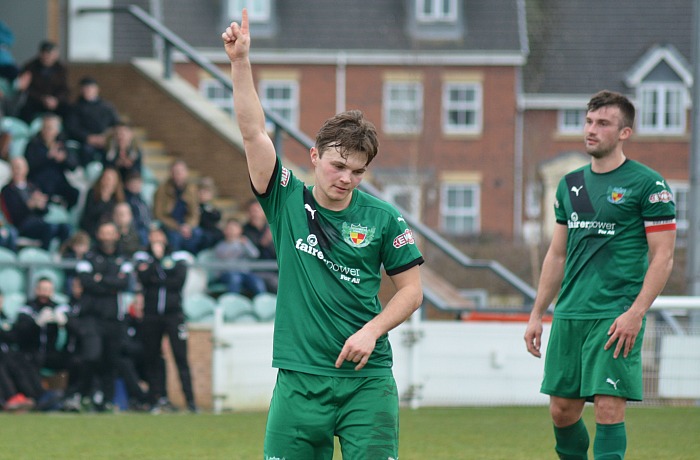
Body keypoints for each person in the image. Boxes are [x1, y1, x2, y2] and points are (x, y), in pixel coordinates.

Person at [223, 10, 424, 458]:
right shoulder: (285, 199)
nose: (346, 178)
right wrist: (240, 63)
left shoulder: (383, 218)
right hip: (300, 380)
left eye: (357, 171)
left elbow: (411, 292)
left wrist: (372, 331)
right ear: (314, 156)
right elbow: (253, 131)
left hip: (367, 382)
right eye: (338, 165)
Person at [524, 90, 677, 460]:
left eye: (603, 123)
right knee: (562, 411)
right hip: (570, 313)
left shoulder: (648, 185)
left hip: (615, 314)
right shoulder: (571, 185)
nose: (591, 130)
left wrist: (636, 313)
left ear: (624, 132)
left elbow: (663, 257)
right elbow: (557, 254)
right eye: (589, 121)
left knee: (609, 409)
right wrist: (537, 313)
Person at [134, 228, 197, 413]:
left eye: (159, 235)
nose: (156, 239)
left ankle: (191, 402)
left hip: (174, 314)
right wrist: (157, 262)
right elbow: (144, 278)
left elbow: (177, 282)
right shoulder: (143, 257)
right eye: (152, 236)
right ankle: (156, 399)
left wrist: (157, 272)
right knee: (152, 357)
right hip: (151, 315)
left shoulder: (179, 256)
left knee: (181, 357)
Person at [75, 221, 133, 412]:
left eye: (111, 233)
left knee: (111, 359)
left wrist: (101, 279)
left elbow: (123, 284)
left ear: (116, 235)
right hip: (92, 317)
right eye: (104, 233)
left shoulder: (123, 258)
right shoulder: (88, 257)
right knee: (92, 356)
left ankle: (106, 400)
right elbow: (87, 283)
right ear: (98, 235)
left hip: (114, 318)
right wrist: (111, 282)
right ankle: (84, 393)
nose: (107, 237)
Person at [0, 156, 71, 250]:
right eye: (15, 167)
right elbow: (13, 215)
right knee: (49, 227)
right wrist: (30, 205)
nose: (17, 171)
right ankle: (44, 256)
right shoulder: (7, 190)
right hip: (21, 225)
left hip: (37, 221)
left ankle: (62, 253)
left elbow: (45, 211)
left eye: (19, 167)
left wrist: (41, 206)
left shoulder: (32, 186)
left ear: (26, 169)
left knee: (66, 227)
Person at [24, 113, 80, 209]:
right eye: (45, 127)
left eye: (50, 128)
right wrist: (47, 156)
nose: (46, 131)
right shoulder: (33, 143)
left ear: (57, 130)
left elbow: (73, 166)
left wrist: (64, 159)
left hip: (58, 180)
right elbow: (29, 165)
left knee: (75, 193)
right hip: (39, 181)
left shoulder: (62, 143)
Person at [64, 76, 120, 166]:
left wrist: (106, 137)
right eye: (85, 88)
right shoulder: (75, 108)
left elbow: (116, 124)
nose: (88, 90)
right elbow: (72, 127)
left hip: (106, 140)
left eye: (90, 88)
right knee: (86, 152)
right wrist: (88, 137)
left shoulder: (107, 107)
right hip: (85, 141)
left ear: (97, 89)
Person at [152, 159, 203, 254]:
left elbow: (194, 213)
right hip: (170, 224)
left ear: (186, 173)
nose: (178, 174)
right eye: (176, 172)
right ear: (171, 173)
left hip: (186, 224)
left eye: (181, 171)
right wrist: (178, 227)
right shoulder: (162, 190)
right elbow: (159, 214)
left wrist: (188, 226)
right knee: (174, 237)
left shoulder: (191, 190)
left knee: (197, 234)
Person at [17, 40, 69, 124]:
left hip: (55, 101)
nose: (47, 57)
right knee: (24, 111)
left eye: (50, 54)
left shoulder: (61, 69)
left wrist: (56, 99)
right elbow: (26, 88)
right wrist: (42, 98)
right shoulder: (30, 67)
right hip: (36, 101)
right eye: (45, 54)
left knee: (68, 111)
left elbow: (64, 88)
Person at [214, 217, 266, 297]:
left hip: (244, 273)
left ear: (240, 230)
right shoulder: (220, 246)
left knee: (257, 281)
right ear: (225, 230)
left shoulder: (244, 243)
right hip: (228, 273)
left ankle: (262, 303)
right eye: (229, 228)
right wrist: (235, 245)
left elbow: (255, 255)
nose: (232, 231)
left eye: (234, 228)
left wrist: (246, 244)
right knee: (235, 279)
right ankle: (233, 303)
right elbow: (225, 257)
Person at [242, 198, 278, 293]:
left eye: (257, 210)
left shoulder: (272, 228)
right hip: (255, 270)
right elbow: (252, 255)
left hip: (275, 268)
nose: (255, 214)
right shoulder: (244, 231)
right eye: (251, 211)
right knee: (275, 282)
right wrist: (263, 244)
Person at [79, 166, 124, 238]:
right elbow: (89, 215)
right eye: (106, 178)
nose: (109, 182)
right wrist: (103, 199)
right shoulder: (92, 193)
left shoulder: (118, 198)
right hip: (93, 230)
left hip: (112, 232)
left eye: (112, 179)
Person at [123, 170, 152, 248]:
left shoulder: (142, 200)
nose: (136, 185)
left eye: (138, 183)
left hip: (146, 227)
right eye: (133, 183)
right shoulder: (126, 200)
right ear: (127, 184)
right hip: (134, 229)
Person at [197, 176, 224, 252]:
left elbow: (217, 217)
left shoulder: (211, 206)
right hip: (201, 229)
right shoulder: (196, 207)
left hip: (212, 229)